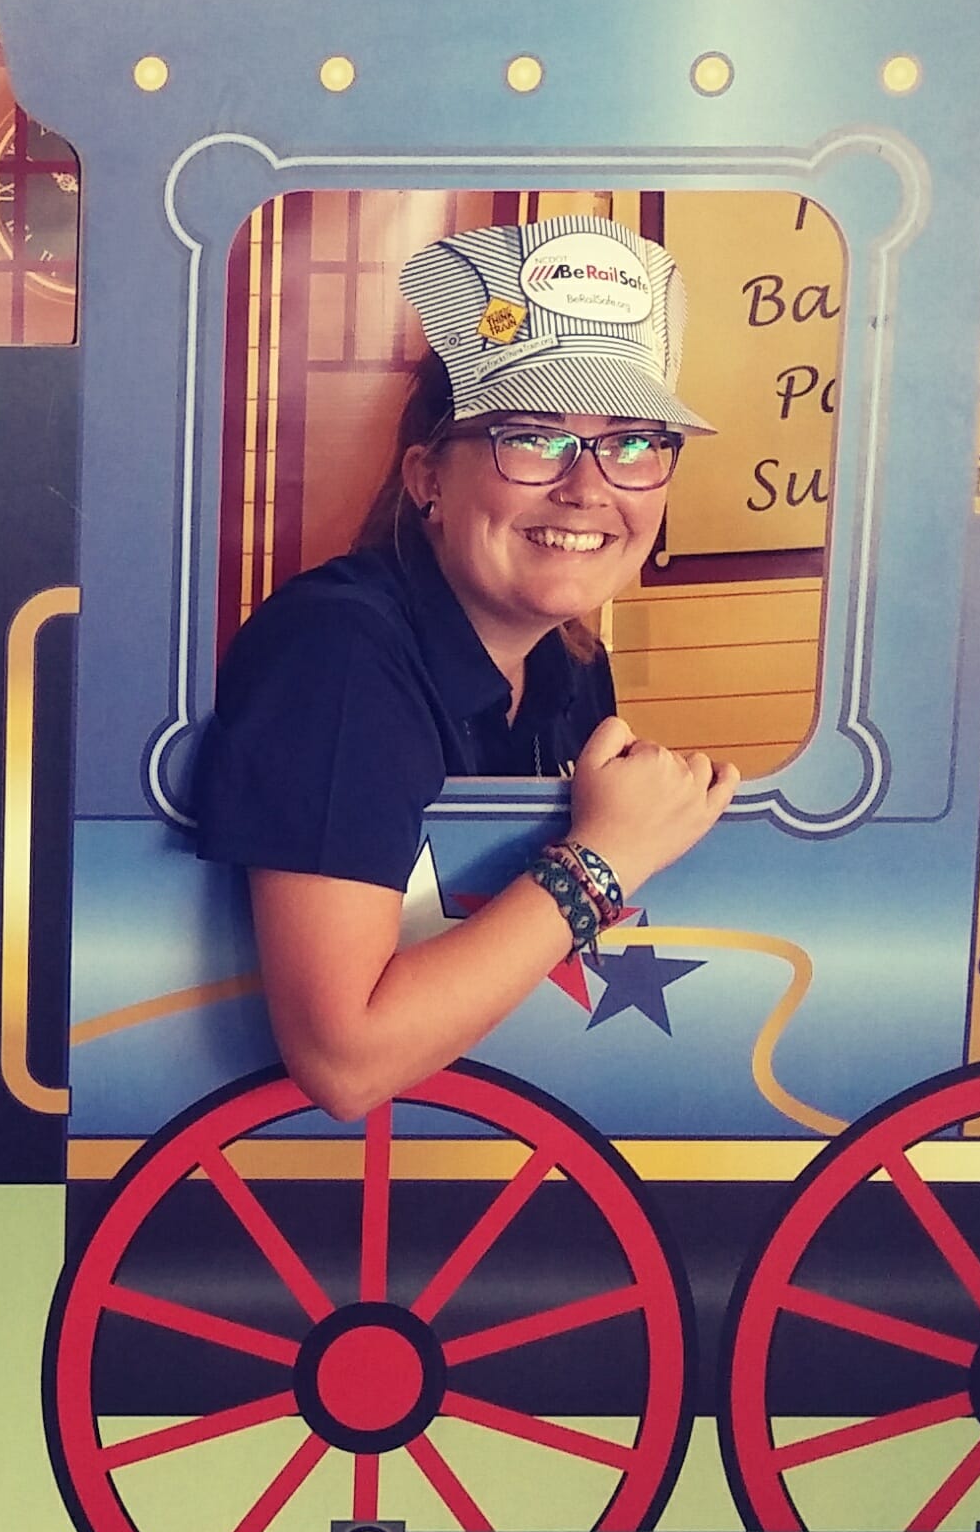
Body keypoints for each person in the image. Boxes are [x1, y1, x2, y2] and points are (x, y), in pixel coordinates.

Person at [192, 215, 740, 1120]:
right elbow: (344, 1061)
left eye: (635, 444)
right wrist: (609, 858)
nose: (589, 488)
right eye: (534, 437)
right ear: (428, 480)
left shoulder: (574, 666)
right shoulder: (333, 655)